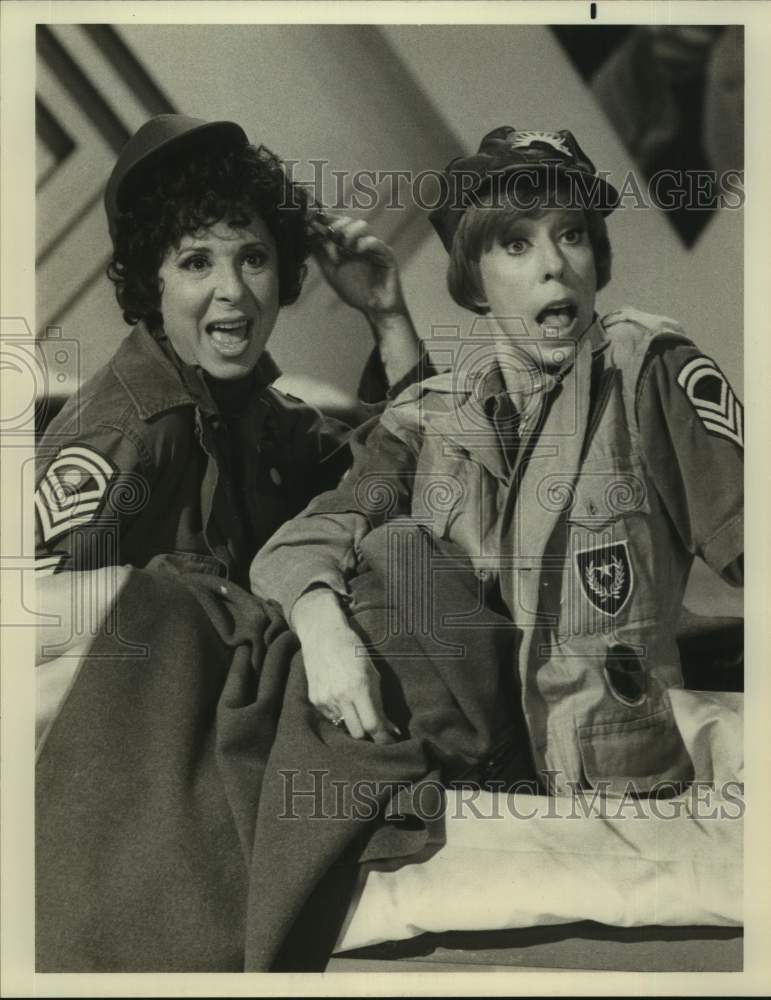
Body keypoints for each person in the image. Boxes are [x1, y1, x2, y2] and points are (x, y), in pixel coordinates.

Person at [250, 126, 744, 793]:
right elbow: (302, 540)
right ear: (475, 285)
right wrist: (319, 625)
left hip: (627, 781)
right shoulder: (425, 418)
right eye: (515, 243)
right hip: (497, 781)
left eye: (570, 235)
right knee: (388, 555)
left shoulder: (645, 372)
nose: (553, 265)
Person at [34, 114, 429, 589]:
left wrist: (387, 318)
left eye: (253, 258)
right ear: (152, 283)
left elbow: (408, 485)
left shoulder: (257, 412)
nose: (233, 289)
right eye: (197, 262)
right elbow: (25, 617)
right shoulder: (125, 433)